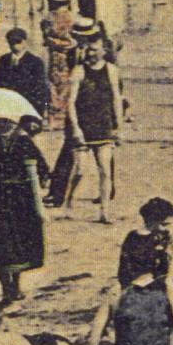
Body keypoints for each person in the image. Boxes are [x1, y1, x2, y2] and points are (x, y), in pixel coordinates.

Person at [0, 115, 49, 303]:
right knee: (1, 245)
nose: (3, 124)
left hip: (20, 199)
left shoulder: (24, 141)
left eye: (6, 121)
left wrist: (39, 205)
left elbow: (39, 172)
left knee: (18, 245)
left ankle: (15, 287)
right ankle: (6, 289)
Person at [65, 38, 123, 222]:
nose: (91, 54)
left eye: (95, 50)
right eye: (89, 50)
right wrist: (75, 128)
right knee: (80, 170)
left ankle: (104, 211)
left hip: (103, 125)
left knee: (105, 170)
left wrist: (118, 126)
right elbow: (71, 103)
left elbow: (116, 99)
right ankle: (69, 200)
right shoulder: (79, 70)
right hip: (83, 124)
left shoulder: (112, 71)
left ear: (104, 51)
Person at [0, 29, 49, 119]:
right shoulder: (3, 60)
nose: (14, 45)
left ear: (25, 42)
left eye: (18, 41)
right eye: (11, 42)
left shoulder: (35, 61)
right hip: (7, 106)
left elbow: (39, 87)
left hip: (27, 105)